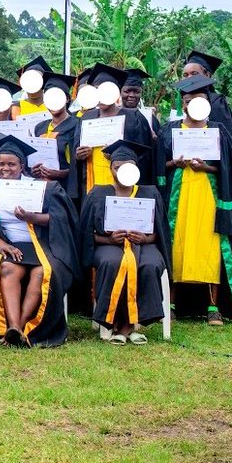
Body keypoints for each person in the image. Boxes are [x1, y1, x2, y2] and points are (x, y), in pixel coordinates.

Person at [156, 76, 232, 325]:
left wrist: (205, 168)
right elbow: (159, 165)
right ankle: (171, 303)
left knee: (209, 249)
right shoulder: (171, 129)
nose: (192, 105)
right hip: (178, 199)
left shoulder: (218, 131)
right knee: (177, 247)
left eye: (199, 100)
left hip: (207, 198)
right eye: (188, 101)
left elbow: (227, 170)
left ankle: (213, 307)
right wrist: (175, 163)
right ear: (183, 104)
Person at [0, 136, 78, 347]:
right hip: (10, 243)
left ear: (22, 166)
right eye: (1, 164)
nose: (5, 168)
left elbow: (59, 218)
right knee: (7, 268)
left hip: (42, 244)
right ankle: (13, 326)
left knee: (41, 273)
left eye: (11, 164)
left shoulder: (41, 187)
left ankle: (20, 327)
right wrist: (1, 245)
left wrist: (30, 218)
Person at [77, 140, 171, 345]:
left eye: (128, 167)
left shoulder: (150, 193)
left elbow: (160, 233)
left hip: (144, 245)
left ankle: (128, 325)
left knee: (150, 265)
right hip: (107, 245)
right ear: (110, 169)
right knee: (112, 263)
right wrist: (109, 238)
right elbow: (86, 234)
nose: (122, 172)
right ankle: (118, 322)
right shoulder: (98, 193)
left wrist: (145, 238)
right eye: (117, 167)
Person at [73, 64, 156, 197]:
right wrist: (78, 155)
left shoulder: (134, 118)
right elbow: (76, 154)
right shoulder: (86, 118)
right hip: (92, 183)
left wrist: (120, 155)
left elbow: (145, 157)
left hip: (125, 186)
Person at [30, 72, 76, 193]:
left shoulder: (78, 125)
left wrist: (62, 173)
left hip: (66, 189)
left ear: (67, 98)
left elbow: (81, 165)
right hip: (42, 188)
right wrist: (34, 170)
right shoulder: (39, 127)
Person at [180, 50, 232, 137]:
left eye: (194, 73)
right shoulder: (181, 101)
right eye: (185, 75)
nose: (189, 78)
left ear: (207, 75)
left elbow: (226, 138)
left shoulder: (217, 103)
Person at [120, 68, 160, 136]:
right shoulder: (114, 117)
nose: (132, 95)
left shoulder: (150, 119)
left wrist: (154, 140)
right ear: (120, 92)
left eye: (136, 92)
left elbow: (160, 143)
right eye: (127, 91)